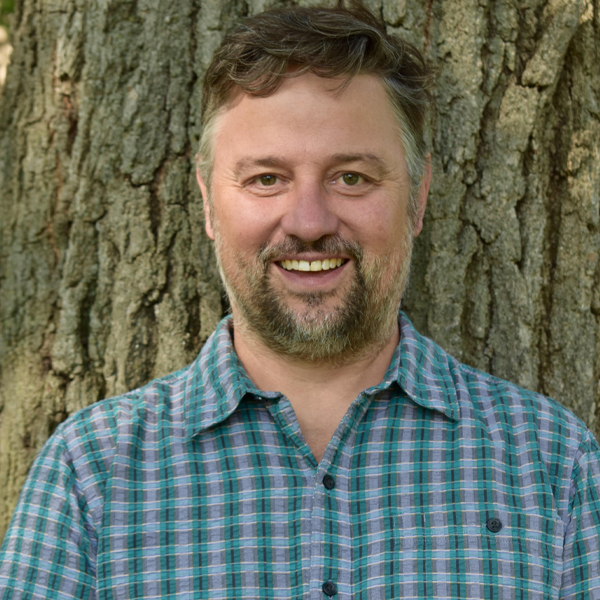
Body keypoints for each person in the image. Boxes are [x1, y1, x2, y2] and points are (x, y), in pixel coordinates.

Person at [1, 3, 600, 599]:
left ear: (416, 200)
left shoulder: (552, 465)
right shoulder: (92, 474)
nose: (309, 222)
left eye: (351, 178)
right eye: (267, 178)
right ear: (210, 203)